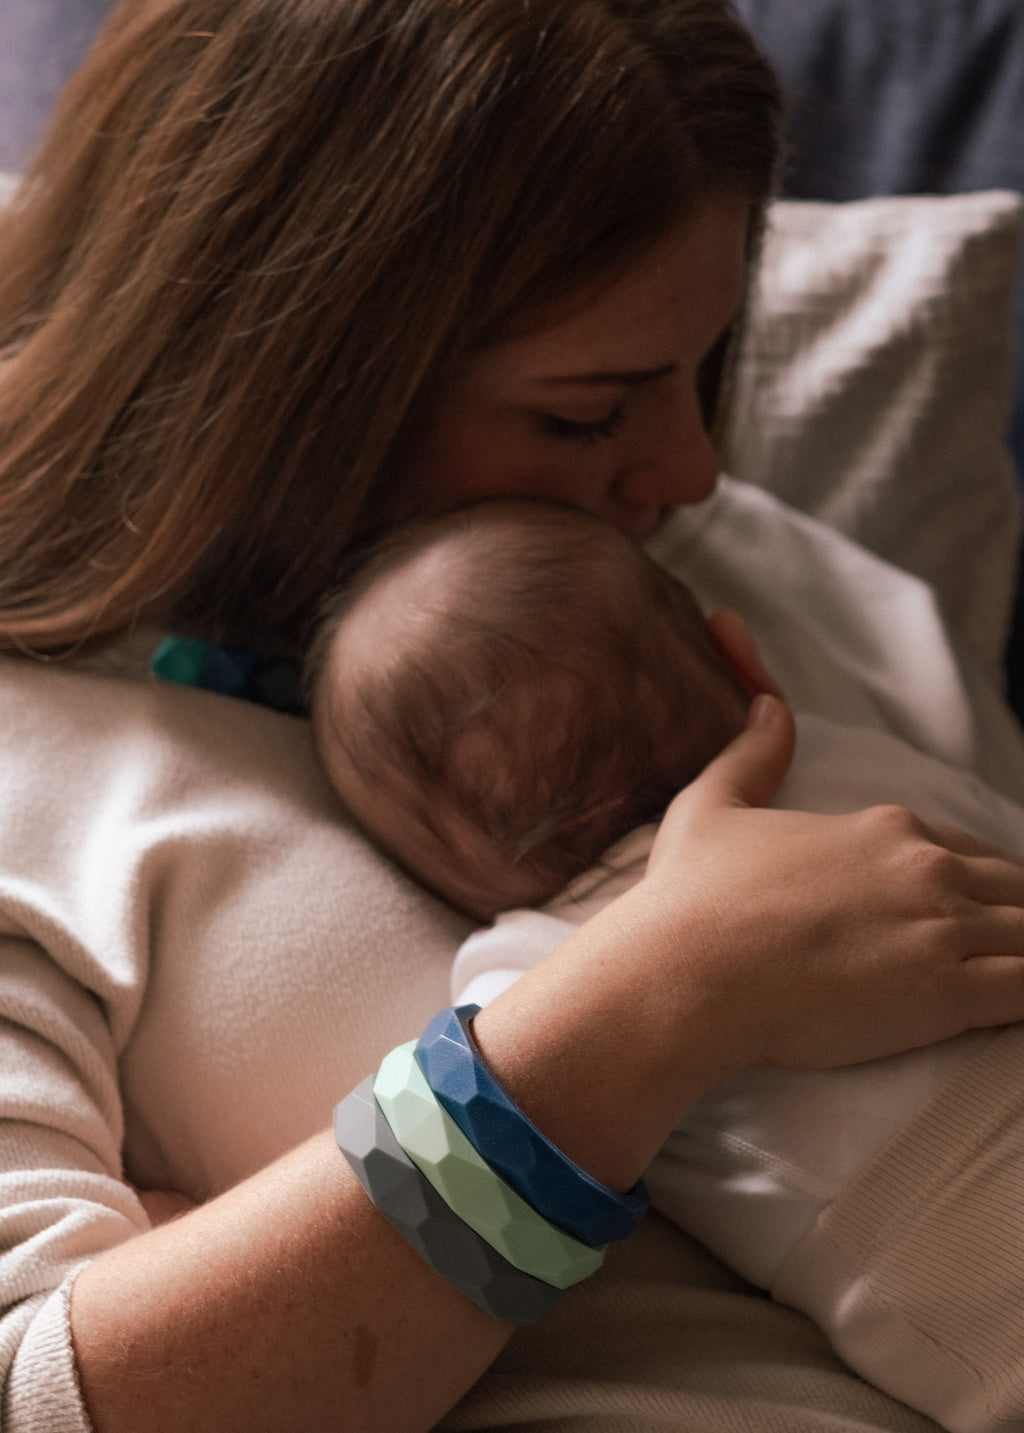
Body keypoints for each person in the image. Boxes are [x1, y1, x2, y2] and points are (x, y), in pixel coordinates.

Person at [3, 3, 1024, 1432]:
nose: (690, 472)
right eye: (587, 412)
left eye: (702, 368)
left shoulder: (782, 597)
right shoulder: (32, 764)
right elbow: (44, 1396)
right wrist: (651, 1003)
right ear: (292, 384)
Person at [310, 495, 1024, 1431]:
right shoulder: (872, 770)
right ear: (739, 657)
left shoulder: (534, 964)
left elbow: (452, 1126)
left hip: (958, 1256)